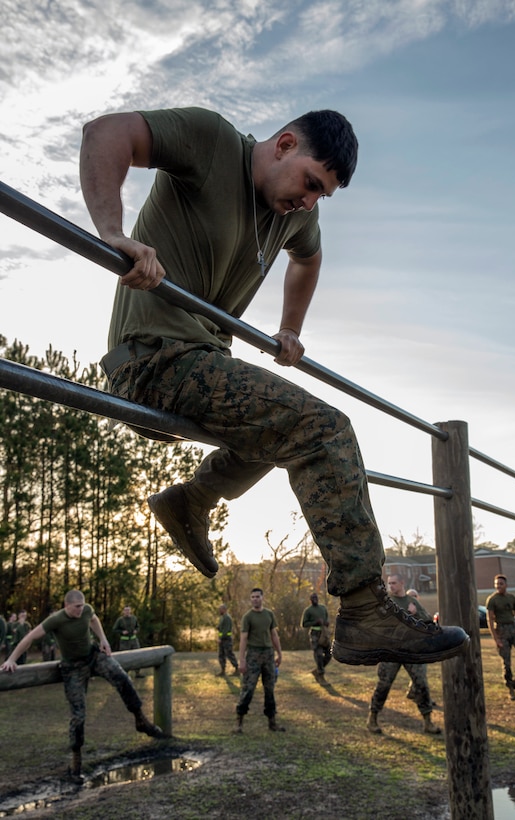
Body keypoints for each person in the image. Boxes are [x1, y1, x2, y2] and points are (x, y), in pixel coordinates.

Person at [80, 105, 468, 668]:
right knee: (322, 428)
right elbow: (107, 133)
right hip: (152, 356)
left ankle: (192, 499)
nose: (309, 201)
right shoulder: (212, 142)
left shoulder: (293, 215)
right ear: (284, 144)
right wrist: (113, 232)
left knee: (287, 429)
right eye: (311, 183)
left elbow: (308, 260)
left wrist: (291, 328)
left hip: (203, 361)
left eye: (322, 196)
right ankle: (364, 608)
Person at [0, 590, 166, 777]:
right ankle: (76, 761)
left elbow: (94, 619)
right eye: (76, 607)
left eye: (82, 606)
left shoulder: (86, 610)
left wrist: (103, 639)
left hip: (93, 657)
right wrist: (12, 659)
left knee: (122, 678)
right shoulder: (55, 620)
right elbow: (29, 638)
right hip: (72, 668)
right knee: (78, 715)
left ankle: (141, 720)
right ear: (67, 606)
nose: (81, 610)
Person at [367, 574, 441, 735]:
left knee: (421, 684)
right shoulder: (386, 602)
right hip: (392, 651)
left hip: (411, 650)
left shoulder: (412, 602)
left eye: (394, 583)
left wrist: (416, 613)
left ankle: (428, 722)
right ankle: (372, 718)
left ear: (402, 583)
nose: (391, 586)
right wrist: (408, 615)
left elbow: (428, 621)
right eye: (389, 583)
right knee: (384, 684)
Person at [235, 588, 284, 733]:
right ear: (250, 599)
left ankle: (272, 723)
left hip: (268, 655)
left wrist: (279, 653)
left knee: (270, 689)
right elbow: (243, 639)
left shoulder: (269, 614)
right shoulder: (247, 617)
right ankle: (239, 723)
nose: (255, 599)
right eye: (252, 597)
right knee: (248, 689)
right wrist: (242, 660)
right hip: (253, 656)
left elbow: (274, 634)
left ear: (262, 598)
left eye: (257, 596)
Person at [486, 574, 515, 700]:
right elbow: (489, 620)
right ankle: (510, 688)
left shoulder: (512, 598)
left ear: (506, 585)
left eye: (501, 584)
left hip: (514, 629)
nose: (498, 586)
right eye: (496, 584)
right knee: (506, 663)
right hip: (501, 630)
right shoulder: (492, 600)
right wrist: (496, 638)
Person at [301, 592, 331, 681]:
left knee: (329, 654)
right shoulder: (308, 610)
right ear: (310, 600)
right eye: (313, 598)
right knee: (318, 654)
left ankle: (318, 669)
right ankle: (320, 674)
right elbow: (304, 624)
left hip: (324, 633)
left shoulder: (323, 608)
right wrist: (315, 622)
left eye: (316, 598)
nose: (315, 600)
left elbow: (327, 618)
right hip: (314, 633)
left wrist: (326, 623)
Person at [112, 605, 144, 678]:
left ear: (130, 611)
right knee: (125, 657)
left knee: (137, 655)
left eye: (128, 610)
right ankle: (124, 674)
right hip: (124, 641)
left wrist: (136, 630)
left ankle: (137, 673)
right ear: (123, 611)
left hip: (134, 640)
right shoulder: (120, 620)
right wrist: (122, 632)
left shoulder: (134, 618)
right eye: (125, 610)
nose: (127, 612)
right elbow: (114, 629)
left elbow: (138, 626)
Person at [216, 604, 238, 677]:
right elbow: (221, 629)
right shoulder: (222, 617)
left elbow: (226, 630)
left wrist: (221, 637)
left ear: (224, 609)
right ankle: (223, 670)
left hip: (227, 639)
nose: (219, 610)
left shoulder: (227, 618)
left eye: (220, 609)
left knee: (229, 654)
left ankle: (237, 669)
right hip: (222, 639)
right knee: (221, 655)